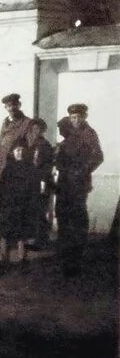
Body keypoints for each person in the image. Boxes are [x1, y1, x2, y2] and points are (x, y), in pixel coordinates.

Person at [55, 104, 104, 277]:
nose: (75, 121)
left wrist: (83, 169)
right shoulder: (67, 133)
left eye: (78, 117)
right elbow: (61, 156)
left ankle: (75, 259)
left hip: (79, 183)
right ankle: (64, 258)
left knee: (77, 218)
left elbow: (98, 156)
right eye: (72, 117)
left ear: (84, 117)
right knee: (62, 215)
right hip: (63, 182)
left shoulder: (89, 134)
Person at [0, 144, 40, 274]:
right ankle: (3, 257)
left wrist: (32, 205)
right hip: (8, 206)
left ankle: (21, 259)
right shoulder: (8, 169)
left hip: (21, 207)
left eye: (21, 150)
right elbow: (0, 188)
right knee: (4, 234)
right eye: (16, 150)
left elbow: (33, 189)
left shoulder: (29, 168)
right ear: (12, 152)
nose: (19, 153)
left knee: (21, 234)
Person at [25, 119, 54, 249]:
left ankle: (42, 240)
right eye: (33, 129)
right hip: (31, 182)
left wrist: (43, 181)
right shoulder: (30, 145)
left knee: (41, 211)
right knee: (33, 211)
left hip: (42, 182)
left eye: (38, 129)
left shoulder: (45, 145)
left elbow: (48, 165)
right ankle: (35, 239)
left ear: (42, 131)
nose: (35, 131)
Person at [0, 93, 34, 176]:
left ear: (19, 105)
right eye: (9, 106)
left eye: (14, 105)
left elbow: (31, 146)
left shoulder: (28, 123)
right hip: (2, 164)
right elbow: (0, 144)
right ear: (5, 108)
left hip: (17, 167)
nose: (12, 108)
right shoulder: (5, 122)